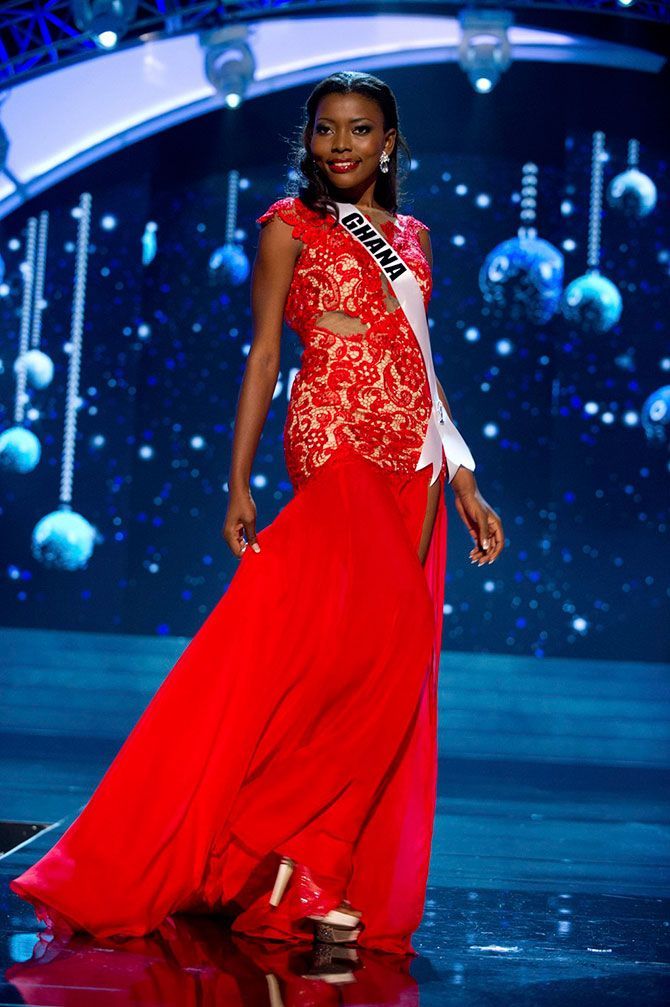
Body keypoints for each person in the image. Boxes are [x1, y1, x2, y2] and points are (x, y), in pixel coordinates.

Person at [9, 71, 504, 957]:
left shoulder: (419, 238)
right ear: (308, 140)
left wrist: (464, 478)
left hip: (418, 460)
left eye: (360, 131)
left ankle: (296, 864)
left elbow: (419, 360)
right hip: (337, 435)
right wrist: (237, 482)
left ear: (389, 143)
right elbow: (267, 352)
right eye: (326, 130)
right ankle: (284, 855)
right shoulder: (289, 225)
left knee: (384, 669)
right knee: (385, 650)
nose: (341, 145)